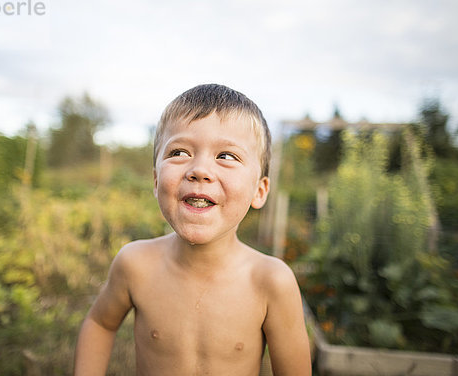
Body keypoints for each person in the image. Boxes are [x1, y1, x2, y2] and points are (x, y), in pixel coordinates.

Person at [74, 84, 311, 375]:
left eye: (226, 156)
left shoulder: (271, 282)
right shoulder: (135, 264)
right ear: (156, 181)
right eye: (180, 152)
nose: (199, 170)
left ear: (259, 191)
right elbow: (100, 323)